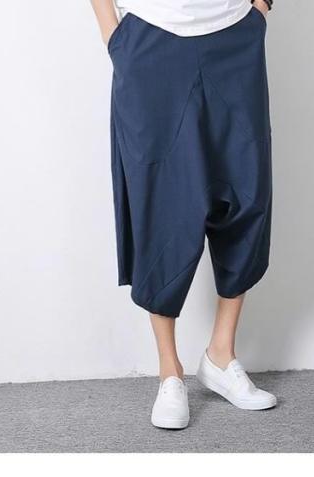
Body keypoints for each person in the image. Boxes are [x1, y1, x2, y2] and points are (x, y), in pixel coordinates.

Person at [90, 0, 277, 429]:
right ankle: (169, 371)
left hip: (234, 35)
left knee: (247, 191)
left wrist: (260, 10)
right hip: (151, 38)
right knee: (160, 202)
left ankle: (221, 353)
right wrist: (114, 36)